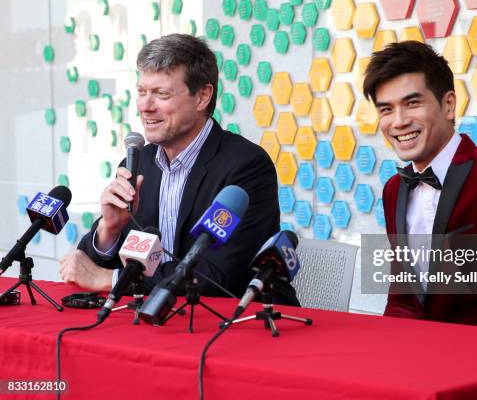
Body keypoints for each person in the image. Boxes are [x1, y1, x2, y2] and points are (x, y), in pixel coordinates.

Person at [60, 33, 299, 306]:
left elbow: (216, 276)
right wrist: (109, 230)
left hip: (238, 325)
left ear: (202, 96)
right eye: (141, 92)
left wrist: (111, 279)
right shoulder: (137, 164)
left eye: (160, 94)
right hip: (156, 318)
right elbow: (87, 269)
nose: (145, 106)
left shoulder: (246, 167)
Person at [362, 41, 477, 331]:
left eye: (412, 103)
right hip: (418, 362)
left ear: (449, 104)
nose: (398, 121)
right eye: (386, 109)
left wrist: (446, 360)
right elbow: (403, 300)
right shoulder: (393, 189)